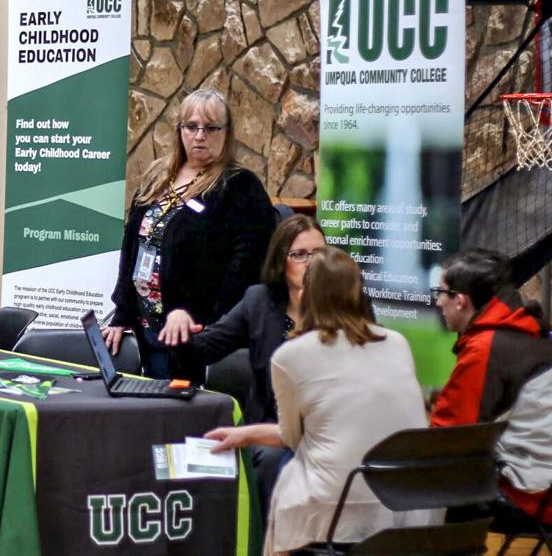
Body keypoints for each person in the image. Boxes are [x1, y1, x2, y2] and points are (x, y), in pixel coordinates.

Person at [204, 247, 439, 554]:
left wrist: (246, 434)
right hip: (404, 503)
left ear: (305, 296)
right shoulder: (396, 342)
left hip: (336, 507)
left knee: (288, 471)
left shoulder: (291, 356)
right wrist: (246, 433)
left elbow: (292, 438)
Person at [104, 88, 275, 380]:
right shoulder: (157, 176)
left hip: (196, 338)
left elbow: (246, 267)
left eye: (210, 128)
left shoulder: (239, 187)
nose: (200, 135)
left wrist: (213, 328)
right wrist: (122, 315)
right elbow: (132, 245)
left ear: (227, 132)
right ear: (179, 130)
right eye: (192, 127)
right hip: (147, 330)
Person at [163, 214, 325, 521]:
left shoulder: (344, 304)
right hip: (268, 428)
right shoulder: (259, 301)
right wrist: (179, 323)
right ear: (281, 260)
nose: (310, 263)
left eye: (319, 254)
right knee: (276, 460)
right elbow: (202, 350)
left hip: (326, 429)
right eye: (299, 254)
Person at [430, 248, 552, 524]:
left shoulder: (484, 348)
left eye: (440, 292)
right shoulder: (531, 330)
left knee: (432, 484)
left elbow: (448, 436)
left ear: (460, 301)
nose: (437, 302)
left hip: (528, 496)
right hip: (543, 489)